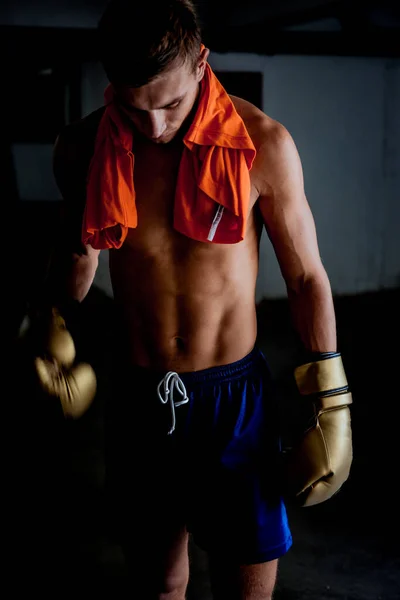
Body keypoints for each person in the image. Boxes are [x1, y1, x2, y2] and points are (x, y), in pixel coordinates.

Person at [39, 0, 352, 598]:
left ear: (202, 62)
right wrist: (47, 322)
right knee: (158, 587)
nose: (154, 127)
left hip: (233, 401)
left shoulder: (263, 143)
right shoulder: (82, 148)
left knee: (245, 589)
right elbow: (77, 262)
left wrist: (333, 401)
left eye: (171, 104)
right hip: (138, 399)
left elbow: (307, 278)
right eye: (134, 108)